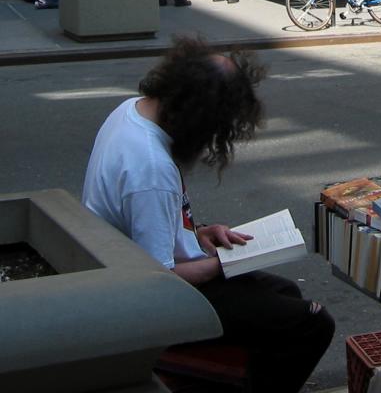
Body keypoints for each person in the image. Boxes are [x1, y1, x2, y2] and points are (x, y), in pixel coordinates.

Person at [81, 37, 334, 393]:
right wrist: (223, 265)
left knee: (288, 294)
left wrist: (198, 234)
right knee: (314, 323)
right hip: (146, 300)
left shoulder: (131, 110)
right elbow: (160, 281)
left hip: (132, 269)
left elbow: (146, 222)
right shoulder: (151, 168)